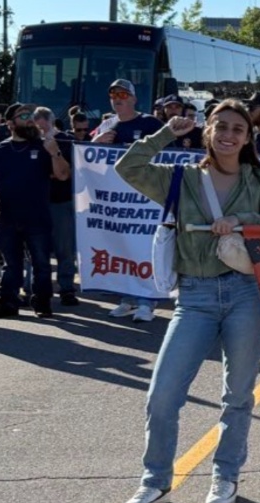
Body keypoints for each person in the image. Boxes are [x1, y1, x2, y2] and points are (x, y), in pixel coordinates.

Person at [115, 99, 260, 503]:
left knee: (238, 395)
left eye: (237, 129)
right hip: (194, 297)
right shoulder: (181, 180)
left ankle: (226, 474)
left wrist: (243, 217)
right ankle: (154, 482)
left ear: (248, 138)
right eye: (220, 126)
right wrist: (164, 133)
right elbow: (128, 168)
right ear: (207, 131)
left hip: (246, 294)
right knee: (163, 394)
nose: (228, 135)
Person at [92, 78, 165, 322]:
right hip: (118, 202)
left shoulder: (149, 123)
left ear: (133, 98)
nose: (118, 100)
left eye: (123, 95)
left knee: (145, 248)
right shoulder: (107, 125)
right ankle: (127, 298)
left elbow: (168, 152)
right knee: (122, 248)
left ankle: (147, 301)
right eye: (114, 96)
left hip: (145, 199)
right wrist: (96, 142)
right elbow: (89, 159)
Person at [0, 103, 71, 319]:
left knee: (41, 263)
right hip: (7, 217)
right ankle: (7, 301)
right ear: (10, 124)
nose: (30, 119)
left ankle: (42, 301)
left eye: (31, 115)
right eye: (24, 115)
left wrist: (54, 152)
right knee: (12, 265)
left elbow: (64, 175)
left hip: (37, 217)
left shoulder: (43, 146)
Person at [33, 107, 80, 307]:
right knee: (38, 250)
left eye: (45, 128)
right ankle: (38, 289)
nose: (42, 132)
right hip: (38, 203)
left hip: (61, 202)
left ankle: (66, 288)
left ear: (51, 123)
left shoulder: (66, 141)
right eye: (39, 129)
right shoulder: (32, 142)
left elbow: (66, 172)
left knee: (64, 249)